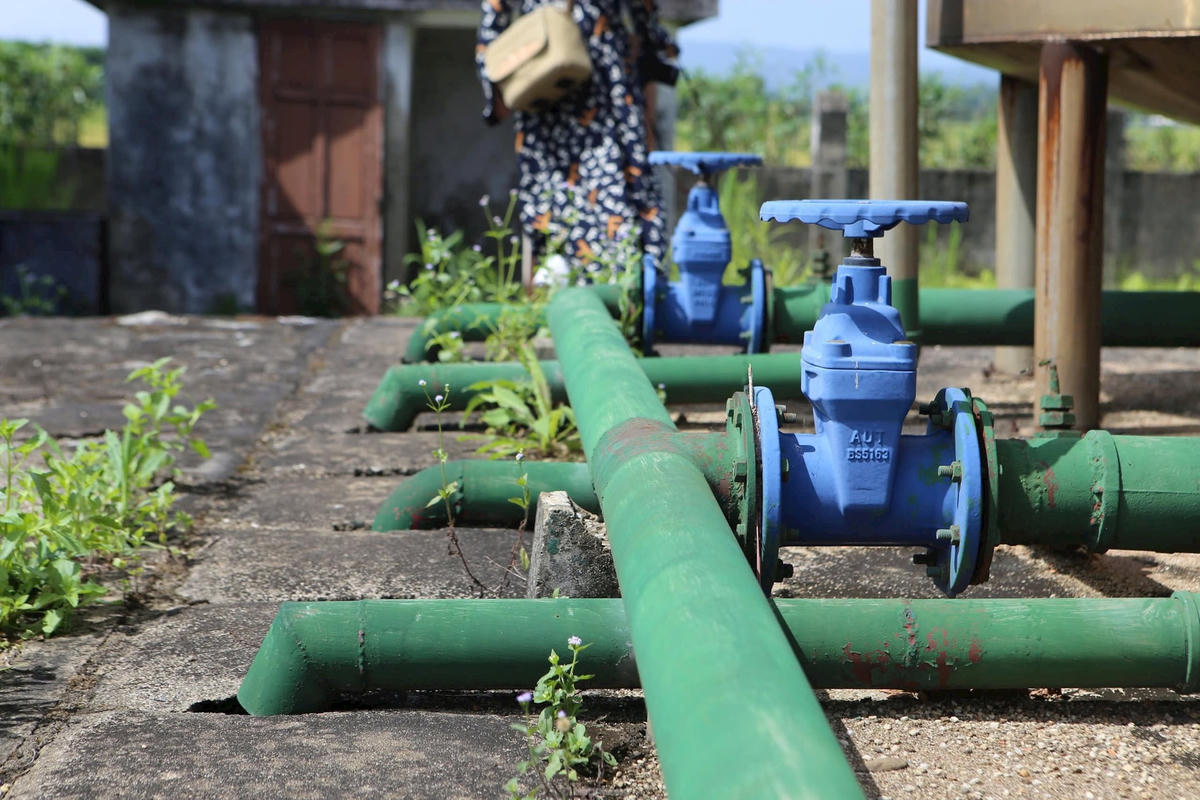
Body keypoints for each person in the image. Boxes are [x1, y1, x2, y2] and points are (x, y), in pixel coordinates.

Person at [476, 0, 679, 282]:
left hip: (590, 84)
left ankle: (622, 294)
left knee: (611, 194)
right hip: (551, 75)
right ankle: (572, 289)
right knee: (563, 202)